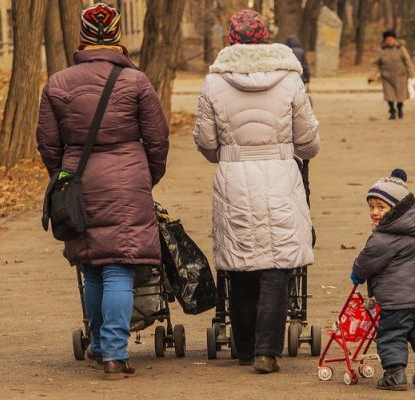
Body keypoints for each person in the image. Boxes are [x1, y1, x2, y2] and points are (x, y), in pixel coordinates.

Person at [35, 3, 169, 380]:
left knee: (92, 268)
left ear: (82, 38)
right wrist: (146, 177)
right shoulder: (136, 82)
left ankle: (99, 346)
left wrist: (65, 180)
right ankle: (114, 353)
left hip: (79, 181)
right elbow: (157, 140)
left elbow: (48, 144)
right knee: (119, 270)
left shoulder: (57, 83)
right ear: (115, 37)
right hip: (127, 181)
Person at [192, 10, 320, 374]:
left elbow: (205, 140)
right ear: (266, 39)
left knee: (241, 264)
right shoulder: (290, 80)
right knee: (277, 265)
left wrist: (229, 155)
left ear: (231, 41)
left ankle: (244, 348)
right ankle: (267, 352)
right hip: (280, 176)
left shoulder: (214, 83)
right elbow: (308, 142)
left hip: (234, 178)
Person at [350, 169, 415, 391]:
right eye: (371, 207)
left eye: (381, 207)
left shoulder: (384, 237)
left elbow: (367, 261)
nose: (374, 212)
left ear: (397, 209)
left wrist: (357, 274)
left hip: (396, 299)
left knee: (391, 334)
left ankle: (395, 374)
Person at [373, 30, 415, 120]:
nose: (390, 41)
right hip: (387, 77)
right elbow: (376, 64)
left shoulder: (401, 48)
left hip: (400, 76)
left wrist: (411, 74)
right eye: (388, 40)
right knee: (389, 96)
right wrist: (372, 76)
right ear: (384, 40)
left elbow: (408, 61)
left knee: (400, 95)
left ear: (395, 39)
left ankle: (400, 107)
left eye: (391, 39)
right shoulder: (382, 50)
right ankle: (392, 111)